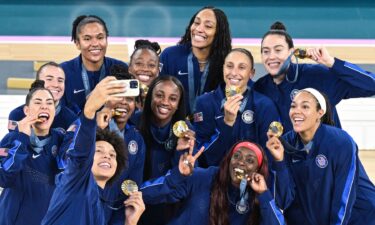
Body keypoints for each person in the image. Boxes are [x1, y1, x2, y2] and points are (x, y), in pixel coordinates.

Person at [41, 76, 145, 225]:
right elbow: (81, 154)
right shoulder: (74, 180)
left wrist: (130, 222)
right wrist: (90, 110)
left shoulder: (100, 209)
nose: (107, 156)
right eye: (99, 151)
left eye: (112, 155)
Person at [266, 88, 375, 225]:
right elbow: (283, 201)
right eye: (293, 106)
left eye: (305, 106)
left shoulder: (341, 142)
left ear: (320, 113)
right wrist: (279, 161)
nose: (296, 111)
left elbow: (344, 197)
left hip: (358, 217)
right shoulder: (284, 144)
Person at [254, 21, 375, 133]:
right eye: (266, 51)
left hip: (330, 154)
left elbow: (372, 85)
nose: (271, 56)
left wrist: (332, 63)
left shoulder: (316, 76)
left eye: (278, 50)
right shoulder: (260, 88)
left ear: (291, 52)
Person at [141, 140, 285, 225]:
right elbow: (145, 194)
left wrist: (264, 194)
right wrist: (178, 176)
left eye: (250, 161)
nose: (241, 162)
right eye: (237, 156)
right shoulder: (202, 177)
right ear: (229, 160)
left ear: (257, 170)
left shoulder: (258, 197)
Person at [194, 48, 280, 167]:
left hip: (252, 178)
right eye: (229, 66)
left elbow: (269, 155)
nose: (234, 73)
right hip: (214, 177)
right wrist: (227, 124)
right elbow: (203, 156)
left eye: (241, 67)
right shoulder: (204, 103)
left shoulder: (264, 105)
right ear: (223, 68)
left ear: (251, 73)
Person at [0, 80, 68, 225]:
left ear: (54, 110)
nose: (44, 106)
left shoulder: (62, 140)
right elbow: (4, 178)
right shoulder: (12, 139)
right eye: (38, 102)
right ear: (26, 111)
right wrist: (22, 139)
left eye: (49, 103)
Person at [138, 75, 193, 225]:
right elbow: (128, 185)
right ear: (150, 97)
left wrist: (179, 151)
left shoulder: (186, 132)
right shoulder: (133, 123)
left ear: (178, 104)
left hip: (169, 213)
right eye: (159, 95)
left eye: (173, 98)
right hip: (135, 209)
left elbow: (181, 189)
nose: (165, 102)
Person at [96, 65, 146, 224]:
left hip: (116, 214)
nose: (124, 103)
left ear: (136, 104)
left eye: (130, 99)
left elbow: (131, 189)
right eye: (119, 96)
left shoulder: (136, 140)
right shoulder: (90, 127)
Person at [160, 6, 232, 115]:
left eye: (208, 26)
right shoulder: (170, 55)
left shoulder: (226, 63)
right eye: (197, 23)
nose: (198, 29)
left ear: (219, 33)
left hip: (212, 128)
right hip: (174, 125)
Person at [61, 15, 128, 114]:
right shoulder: (64, 72)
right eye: (87, 39)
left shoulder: (120, 68)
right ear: (77, 43)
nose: (95, 43)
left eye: (100, 37)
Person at [8, 62, 77, 132]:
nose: (56, 84)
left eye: (60, 80)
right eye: (49, 79)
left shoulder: (71, 120)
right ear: (38, 82)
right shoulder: (17, 115)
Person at [128, 39, 161, 111]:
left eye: (151, 65)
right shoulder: (118, 98)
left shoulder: (163, 102)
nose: (145, 69)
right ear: (129, 68)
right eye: (139, 63)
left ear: (158, 71)